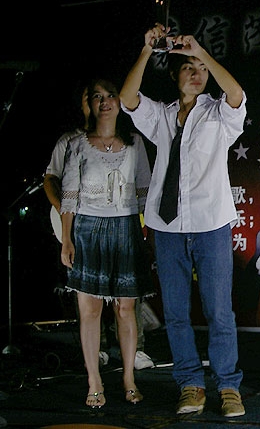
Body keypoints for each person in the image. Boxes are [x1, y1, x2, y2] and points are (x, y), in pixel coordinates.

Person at [119, 24, 247, 418]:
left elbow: (237, 95)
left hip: (211, 223)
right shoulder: (162, 115)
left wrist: (202, 52)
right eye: (188, 67)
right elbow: (127, 99)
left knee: (219, 311)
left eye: (202, 69)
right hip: (167, 226)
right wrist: (147, 50)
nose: (196, 74)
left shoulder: (218, 112)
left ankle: (228, 385)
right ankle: (190, 384)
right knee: (175, 313)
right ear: (175, 74)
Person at [45, 83, 155, 372]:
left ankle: (133, 359)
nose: (103, 102)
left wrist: (148, 232)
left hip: (124, 227)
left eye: (109, 96)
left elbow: (144, 190)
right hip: (87, 226)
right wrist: (67, 226)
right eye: (95, 97)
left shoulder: (133, 142)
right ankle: (97, 360)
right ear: (86, 104)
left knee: (126, 301)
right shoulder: (72, 142)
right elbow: (56, 183)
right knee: (91, 302)